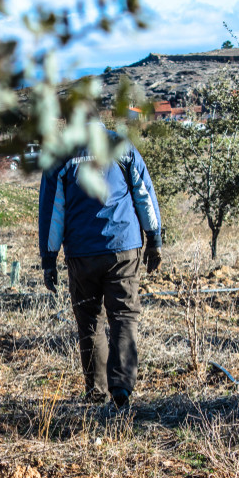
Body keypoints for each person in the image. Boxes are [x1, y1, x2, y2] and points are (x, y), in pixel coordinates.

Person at [38, 126, 163, 411]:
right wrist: (154, 238)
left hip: (81, 253)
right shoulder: (120, 145)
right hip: (123, 246)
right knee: (124, 316)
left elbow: (52, 210)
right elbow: (144, 194)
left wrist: (49, 258)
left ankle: (96, 390)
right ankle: (121, 389)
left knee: (89, 321)